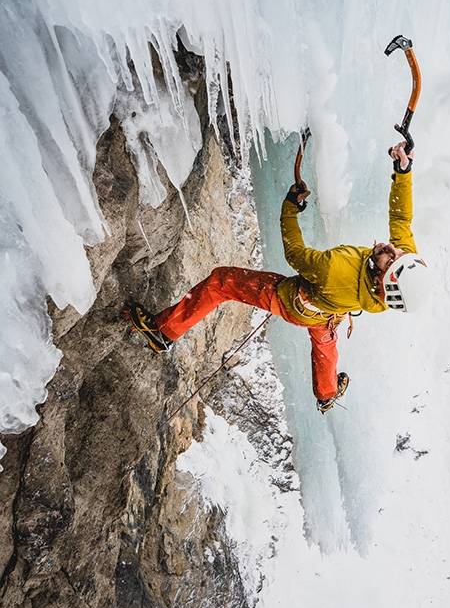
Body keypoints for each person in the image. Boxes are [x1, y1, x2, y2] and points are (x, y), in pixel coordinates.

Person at [126, 139, 429, 412]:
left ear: (380, 280)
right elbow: (401, 218)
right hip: (330, 313)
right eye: (400, 254)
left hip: (292, 302)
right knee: (324, 343)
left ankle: (163, 331)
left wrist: (290, 207)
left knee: (221, 282)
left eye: (390, 257)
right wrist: (404, 170)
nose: (393, 249)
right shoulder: (395, 283)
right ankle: (326, 394)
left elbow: (295, 254)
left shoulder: (335, 269)